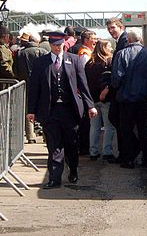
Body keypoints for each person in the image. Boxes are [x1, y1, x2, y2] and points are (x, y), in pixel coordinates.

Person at [27, 32, 97, 188]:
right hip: (50, 110)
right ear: (50, 45)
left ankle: (73, 169)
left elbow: (83, 85)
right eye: (54, 45)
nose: (57, 48)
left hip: (70, 110)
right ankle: (54, 178)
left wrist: (90, 105)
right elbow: (34, 89)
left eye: (60, 45)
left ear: (64, 44)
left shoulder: (75, 60)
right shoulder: (41, 63)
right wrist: (31, 110)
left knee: (71, 144)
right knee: (54, 145)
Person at [111, 28, 147, 168]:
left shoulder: (121, 54)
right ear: (140, 39)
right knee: (144, 130)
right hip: (143, 99)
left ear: (129, 40)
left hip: (126, 100)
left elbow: (116, 78)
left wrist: (119, 89)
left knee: (126, 130)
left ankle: (129, 159)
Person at [14, 31, 48, 143]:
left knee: (28, 109)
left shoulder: (20, 53)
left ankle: (31, 136)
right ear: (38, 41)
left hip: (25, 84)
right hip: (42, 85)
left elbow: (16, 70)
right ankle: (45, 136)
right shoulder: (44, 52)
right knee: (44, 109)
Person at [86, 40, 116, 161]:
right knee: (109, 126)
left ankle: (93, 152)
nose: (111, 49)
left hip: (92, 99)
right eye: (109, 46)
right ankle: (107, 152)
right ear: (104, 48)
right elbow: (112, 78)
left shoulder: (89, 63)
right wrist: (106, 89)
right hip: (106, 98)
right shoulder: (109, 62)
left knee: (94, 126)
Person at [105, 17, 128, 163]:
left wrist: (111, 87)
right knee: (117, 120)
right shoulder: (121, 40)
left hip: (122, 90)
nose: (111, 31)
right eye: (109, 28)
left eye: (113, 27)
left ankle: (126, 152)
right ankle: (124, 153)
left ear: (121, 27)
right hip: (120, 89)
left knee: (119, 120)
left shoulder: (124, 41)